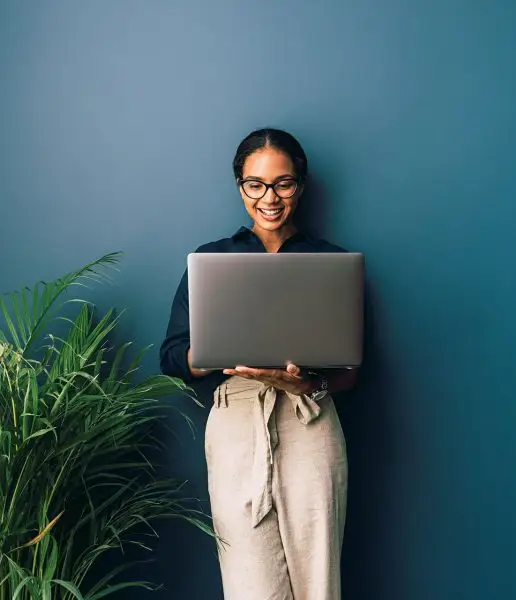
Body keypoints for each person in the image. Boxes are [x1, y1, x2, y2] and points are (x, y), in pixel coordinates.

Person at [159, 128, 358, 600]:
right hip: (235, 425)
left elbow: (350, 371)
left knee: (318, 582)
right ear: (240, 186)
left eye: (283, 183)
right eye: (256, 184)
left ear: (301, 185)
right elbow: (171, 356)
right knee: (250, 585)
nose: (269, 198)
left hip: (308, 418)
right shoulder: (211, 260)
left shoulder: (330, 262)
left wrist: (303, 381)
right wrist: (221, 352)